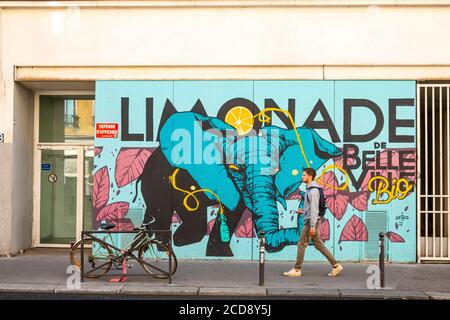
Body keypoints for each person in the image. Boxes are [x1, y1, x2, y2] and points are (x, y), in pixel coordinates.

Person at [283, 167, 343, 277]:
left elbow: (315, 209)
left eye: (304, 175)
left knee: (301, 243)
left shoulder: (313, 191)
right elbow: (311, 208)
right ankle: (336, 265)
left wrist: (312, 226)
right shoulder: (310, 190)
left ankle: (297, 269)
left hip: (311, 222)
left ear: (310, 176)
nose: (302, 177)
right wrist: (303, 212)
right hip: (311, 220)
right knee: (319, 244)